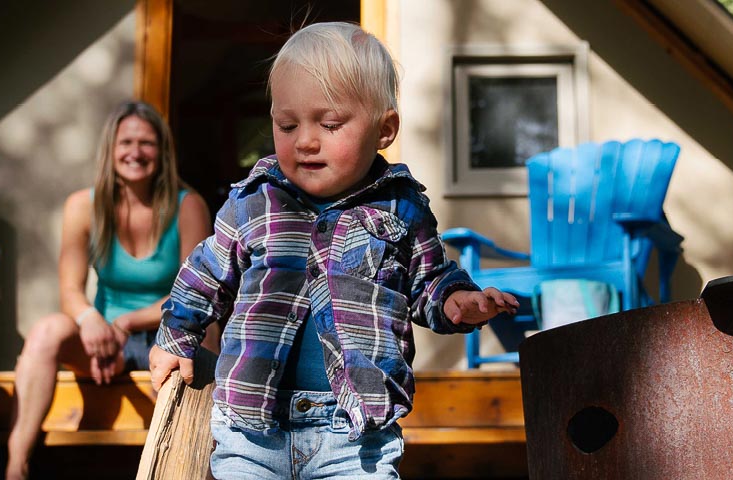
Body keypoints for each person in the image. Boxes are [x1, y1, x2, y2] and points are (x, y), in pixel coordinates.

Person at [148, 22, 517, 479]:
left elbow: (428, 281)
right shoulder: (256, 200)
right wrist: (173, 339)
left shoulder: (401, 207)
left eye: (329, 124)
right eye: (287, 125)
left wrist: (456, 301)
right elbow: (204, 275)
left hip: (355, 436)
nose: (305, 140)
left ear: (385, 130)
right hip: (252, 429)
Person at [5, 100, 213, 479]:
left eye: (147, 143)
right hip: (106, 343)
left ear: (162, 152)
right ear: (111, 150)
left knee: (207, 339)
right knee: (46, 330)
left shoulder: (188, 206)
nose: (136, 152)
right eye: (126, 142)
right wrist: (90, 321)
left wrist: (128, 321)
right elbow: (70, 289)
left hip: (168, 338)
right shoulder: (82, 206)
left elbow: (194, 293)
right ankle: (16, 464)